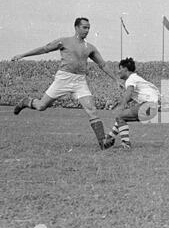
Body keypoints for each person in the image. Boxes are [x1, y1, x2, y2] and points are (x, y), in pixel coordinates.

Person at [11, 17, 119, 150]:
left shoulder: (90, 47)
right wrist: (22, 55)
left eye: (89, 28)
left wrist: (116, 79)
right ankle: (26, 101)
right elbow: (44, 49)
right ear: (76, 27)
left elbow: (102, 64)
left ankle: (102, 142)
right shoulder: (64, 41)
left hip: (80, 81)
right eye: (84, 27)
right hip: (63, 79)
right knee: (41, 106)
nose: (87, 30)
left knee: (92, 109)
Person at [104, 58, 159, 149]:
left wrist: (121, 106)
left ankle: (125, 144)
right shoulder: (135, 78)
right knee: (122, 117)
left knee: (120, 116)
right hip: (153, 108)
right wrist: (118, 103)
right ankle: (110, 137)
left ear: (125, 69)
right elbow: (131, 96)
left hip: (147, 105)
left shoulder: (130, 79)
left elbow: (129, 93)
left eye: (120, 68)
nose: (118, 72)